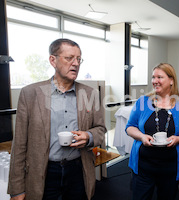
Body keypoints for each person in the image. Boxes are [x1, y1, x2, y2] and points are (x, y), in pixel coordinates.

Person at [8, 38, 106, 200]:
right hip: (44, 172)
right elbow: (19, 144)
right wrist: (17, 189)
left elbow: (101, 130)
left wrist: (88, 137)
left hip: (78, 170)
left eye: (79, 59)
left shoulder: (90, 94)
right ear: (53, 60)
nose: (75, 63)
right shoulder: (30, 93)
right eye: (69, 58)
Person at [126, 63, 179, 200]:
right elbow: (130, 127)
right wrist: (141, 137)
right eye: (153, 77)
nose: (155, 81)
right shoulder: (143, 102)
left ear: (171, 80)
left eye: (160, 77)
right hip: (143, 167)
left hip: (171, 168)